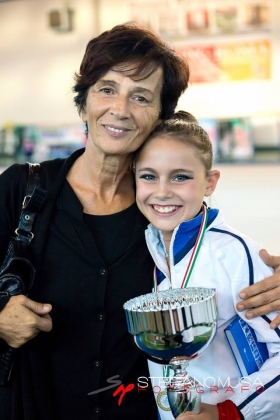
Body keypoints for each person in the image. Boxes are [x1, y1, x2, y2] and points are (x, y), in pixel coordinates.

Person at [0, 22, 279, 420]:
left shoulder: (164, 212)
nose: (120, 109)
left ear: (159, 116)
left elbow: (229, 264)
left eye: (141, 96)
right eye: (107, 89)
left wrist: (268, 282)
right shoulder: (23, 191)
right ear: (84, 101)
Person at [134, 111, 280, 420]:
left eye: (181, 177)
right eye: (148, 176)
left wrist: (229, 413)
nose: (162, 191)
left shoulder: (235, 252)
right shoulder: (145, 249)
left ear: (210, 182)